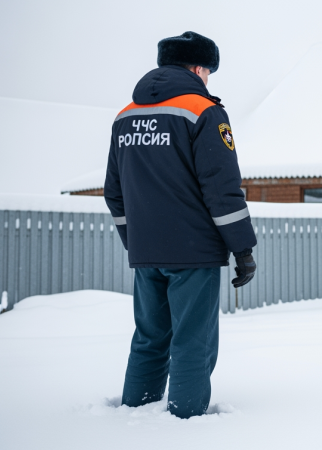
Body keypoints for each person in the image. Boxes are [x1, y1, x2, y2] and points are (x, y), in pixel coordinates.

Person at [104, 31, 258, 419]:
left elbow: (114, 192)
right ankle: (186, 423)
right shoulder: (203, 110)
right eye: (209, 71)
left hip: (146, 252)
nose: (208, 79)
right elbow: (222, 189)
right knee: (193, 340)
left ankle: (132, 414)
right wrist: (242, 248)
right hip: (194, 252)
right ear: (199, 67)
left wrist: (135, 241)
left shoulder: (125, 116)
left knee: (150, 338)